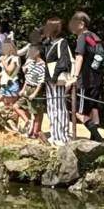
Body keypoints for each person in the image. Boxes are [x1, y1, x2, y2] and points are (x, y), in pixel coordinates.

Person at [70, 11, 104, 143]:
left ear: (81, 24)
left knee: (79, 113)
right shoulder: (94, 36)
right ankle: (94, 139)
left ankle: (98, 138)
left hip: (85, 80)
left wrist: (75, 76)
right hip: (98, 78)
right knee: (94, 109)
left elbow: (79, 56)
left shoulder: (82, 37)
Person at [39, 16, 75, 145]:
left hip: (57, 78)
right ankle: (54, 134)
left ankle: (62, 136)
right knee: (51, 106)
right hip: (49, 78)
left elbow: (63, 61)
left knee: (59, 107)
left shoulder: (62, 42)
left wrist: (54, 76)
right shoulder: (48, 43)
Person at [21, 41, 48, 139]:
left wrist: (35, 93)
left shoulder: (42, 65)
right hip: (27, 87)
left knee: (36, 112)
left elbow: (40, 82)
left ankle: (35, 133)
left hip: (35, 89)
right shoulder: (31, 62)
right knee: (18, 106)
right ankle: (28, 122)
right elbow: (27, 77)